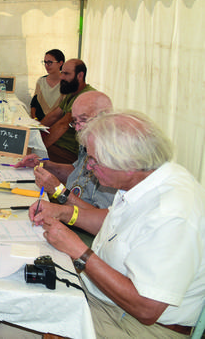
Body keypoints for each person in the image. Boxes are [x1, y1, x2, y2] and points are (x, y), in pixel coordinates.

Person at [24, 111, 205, 338]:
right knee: (21, 303)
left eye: (94, 161)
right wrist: (61, 212)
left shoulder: (173, 214)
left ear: (128, 164)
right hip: (106, 301)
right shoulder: (148, 177)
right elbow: (113, 222)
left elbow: (146, 309)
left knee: (35, 316)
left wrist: (80, 252)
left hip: (135, 325)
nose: (88, 167)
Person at [17, 91, 116, 211]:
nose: (78, 128)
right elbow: (77, 172)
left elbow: (101, 221)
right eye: (75, 121)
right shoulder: (89, 140)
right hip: (69, 210)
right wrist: (43, 164)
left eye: (83, 119)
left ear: (105, 118)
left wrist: (58, 190)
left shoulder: (114, 159)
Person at [40, 58, 95, 163]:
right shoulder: (72, 92)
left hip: (70, 152)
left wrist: (40, 147)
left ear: (80, 75)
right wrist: (34, 132)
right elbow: (54, 115)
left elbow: (63, 124)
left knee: (29, 156)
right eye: (62, 73)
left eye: (66, 74)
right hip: (59, 145)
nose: (61, 77)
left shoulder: (86, 97)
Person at [30, 49, 64, 120]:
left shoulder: (67, 83)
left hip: (57, 125)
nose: (46, 65)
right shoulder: (41, 81)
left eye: (49, 62)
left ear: (60, 63)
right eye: (45, 62)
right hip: (39, 124)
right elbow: (34, 104)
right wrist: (35, 120)